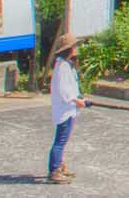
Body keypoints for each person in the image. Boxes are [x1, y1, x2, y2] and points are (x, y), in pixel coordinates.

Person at [47, 34, 90, 185]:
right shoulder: (63, 67)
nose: (77, 49)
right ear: (70, 49)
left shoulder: (64, 64)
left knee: (62, 140)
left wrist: (79, 98)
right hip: (65, 109)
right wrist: (77, 101)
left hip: (67, 108)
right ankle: (54, 170)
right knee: (60, 140)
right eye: (75, 47)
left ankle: (59, 165)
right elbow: (64, 91)